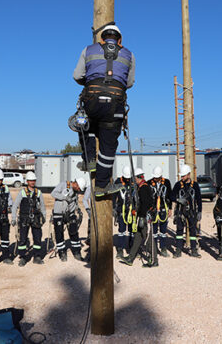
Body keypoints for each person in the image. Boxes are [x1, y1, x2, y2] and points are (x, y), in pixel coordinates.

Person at [73, 24, 136, 197]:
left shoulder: (88, 50)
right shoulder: (129, 55)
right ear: (120, 40)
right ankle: (101, 186)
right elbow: (129, 83)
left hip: (92, 99)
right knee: (108, 146)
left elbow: (77, 75)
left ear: (101, 38)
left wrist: (92, 81)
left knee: (85, 125)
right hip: (115, 103)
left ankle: (89, 160)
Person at [121, 168, 157, 267]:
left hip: (145, 216)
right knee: (137, 238)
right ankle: (130, 258)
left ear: (138, 178)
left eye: (134, 178)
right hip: (141, 216)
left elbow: (145, 204)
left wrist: (139, 214)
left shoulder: (144, 188)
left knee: (148, 238)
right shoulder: (140, 187)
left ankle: (154, 260)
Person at [51, 177, 90, 262]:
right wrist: (64, 197)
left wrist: (77, 209)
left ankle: (77, 252)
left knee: (74, 232)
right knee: (59, 233)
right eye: (79, 188)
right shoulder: (64, 184)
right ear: (76, 183)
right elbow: (53, 193)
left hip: (70, 213)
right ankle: (62, 252)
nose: (79, 190)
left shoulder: (76, 192)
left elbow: (74, 202)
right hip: (59, 213)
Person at [14, 171, 47, 266]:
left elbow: (43, 206)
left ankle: (37, 256)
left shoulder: (38, 192)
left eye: (34, 180)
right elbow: (15, 205)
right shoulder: (22, 192)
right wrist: (13, 217)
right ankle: (23, 257)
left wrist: (44, 217)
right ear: (27, 181)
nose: (32, 182)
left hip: (36, 218)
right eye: (30, 180)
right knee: (23, 239)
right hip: (24, 218)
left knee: (37, 238)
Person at [172, 164, 202, 258]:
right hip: (181, 211)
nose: (182, 177)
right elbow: (171, 196)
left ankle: (193, 250)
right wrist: (178, 200)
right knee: (179, 231)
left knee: (193, 231)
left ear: (188, 175)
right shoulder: (178, 185)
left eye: (184, 175)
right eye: (182, 175)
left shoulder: (195, 185)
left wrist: (200, 211)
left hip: (192, 211)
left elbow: (199, 199)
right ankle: (178, 250)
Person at [149, 166, 172, 257]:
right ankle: (154, 249)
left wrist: (170, 208)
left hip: (163, 208)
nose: (155, 179)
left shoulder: (166, 182)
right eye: (154, 177)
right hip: (153, 209)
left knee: (163, 231)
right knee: (154, 230)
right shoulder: (149, 183)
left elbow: (169, 195)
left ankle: (163, 248)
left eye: (157, 177)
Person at [113, 166, 135, 259]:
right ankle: (120, 249)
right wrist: (113, 208)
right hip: (121, 210)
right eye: (126, 178)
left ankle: (131, 248)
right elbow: (113, 195)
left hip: (131, 210)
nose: (127, 179)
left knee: (131, 230)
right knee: (121, 230)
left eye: (128, 178)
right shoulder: (118, 182)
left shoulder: (133, 181)